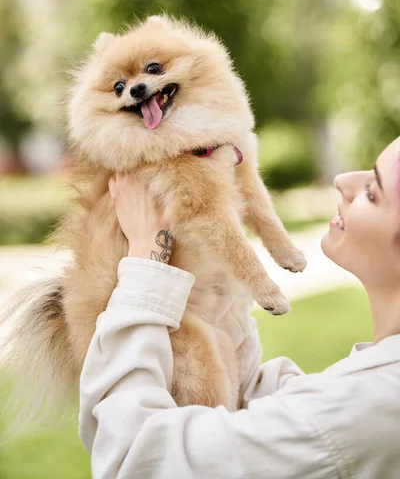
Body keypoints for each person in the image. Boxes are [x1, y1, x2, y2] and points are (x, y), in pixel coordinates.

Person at [79, 137, 400, 479]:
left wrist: (147, 253)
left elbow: (134, 458)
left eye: (372, 191)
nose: (344, 180)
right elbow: (258, 408)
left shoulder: (362, 410)